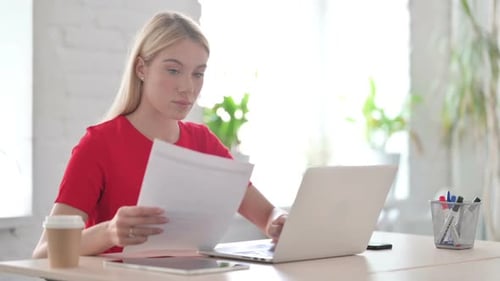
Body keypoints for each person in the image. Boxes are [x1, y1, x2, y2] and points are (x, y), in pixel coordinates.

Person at [32, 11, 287, 258]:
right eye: (173, 70)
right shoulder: (99, 144)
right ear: (142, 68)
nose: (188, 87)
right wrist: (109, 232)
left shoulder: (203, 141)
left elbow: (267, 215)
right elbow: (43, 251)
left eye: (198, 74)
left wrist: (278, 221)